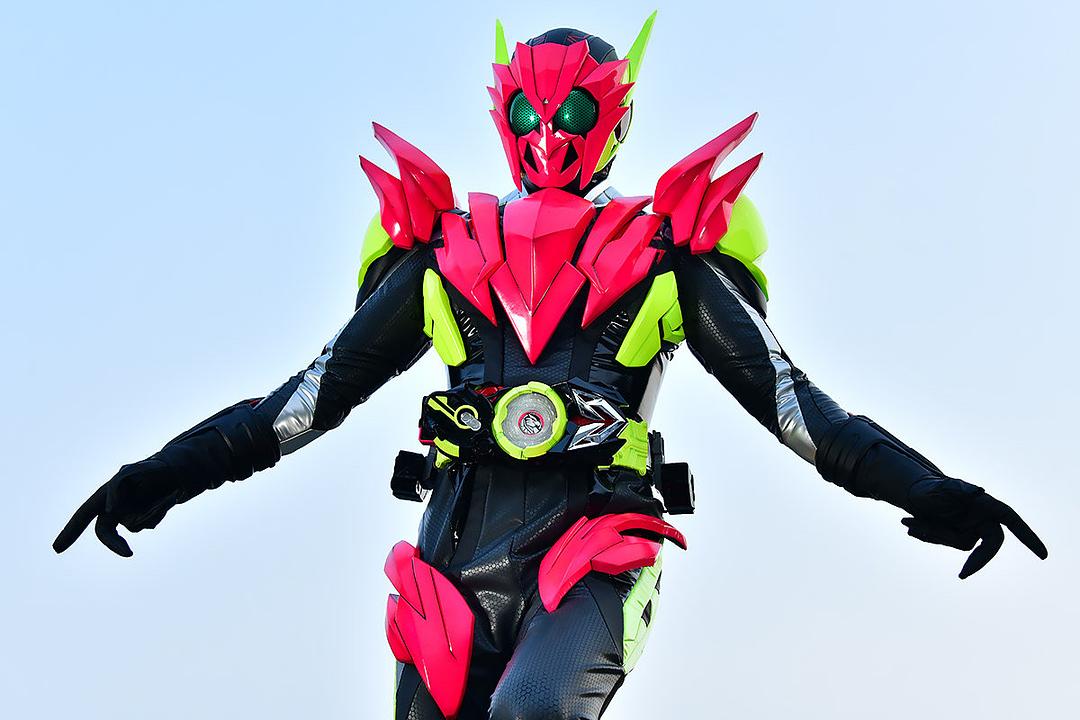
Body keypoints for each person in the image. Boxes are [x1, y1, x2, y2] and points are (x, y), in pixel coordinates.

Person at [54, 15, 1046, 720]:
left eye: (573, 112)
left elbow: (800, 412)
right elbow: (298, 407)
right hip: (453, 553)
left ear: (612, 117)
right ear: (503, 114)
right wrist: (161, 476)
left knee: (532, 711)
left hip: (593, 549)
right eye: (531, 113)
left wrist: (931, 489)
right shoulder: (443, 253)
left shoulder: (664, 256)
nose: (549, 135)